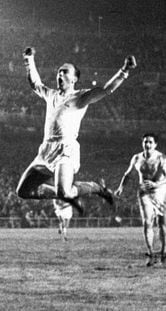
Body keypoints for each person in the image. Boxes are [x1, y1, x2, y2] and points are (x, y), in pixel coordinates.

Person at [16, 47, 137, 213]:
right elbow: (35, 83)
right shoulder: (51, 95)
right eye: (59, 72)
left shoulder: (80, 97)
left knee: (64, 191)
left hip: (65, 149)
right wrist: (29, 60)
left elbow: (106, 89)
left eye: (64, 72)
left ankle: (96, 188)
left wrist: (125, 70)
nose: (60, 74)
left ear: (74, 79)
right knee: (23, 191)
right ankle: (62, 194)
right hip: (45, 150)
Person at [114, 133, 166, 266]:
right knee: (147, 222)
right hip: (144, 193)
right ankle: (150, 254)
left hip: (161, 192)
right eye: (145, 142)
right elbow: (128, 174)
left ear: (155, 144)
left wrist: (156, 184)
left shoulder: (161, 158)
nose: (147, 144)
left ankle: (164, 252)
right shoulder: (136, 158)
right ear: (142, 143)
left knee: (162, 224)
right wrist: (120, 188)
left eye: (150, 142)